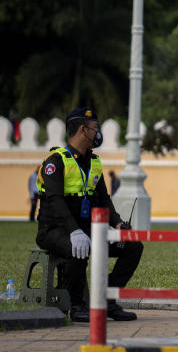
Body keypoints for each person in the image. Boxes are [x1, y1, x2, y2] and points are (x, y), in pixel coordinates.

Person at [35, 108, 142, 322]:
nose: (98, 132)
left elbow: (103, 199)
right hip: (54, 230)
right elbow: (55, 200)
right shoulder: (56, 161)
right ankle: (76, 305)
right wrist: (74, 231)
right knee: (78, 249)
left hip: (87, 230)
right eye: (95, 128)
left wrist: (119, 224)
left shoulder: (94, 162)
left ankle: (106, 300)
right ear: (83, 130)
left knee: (132, 246)